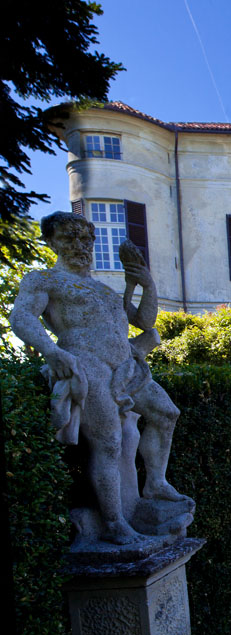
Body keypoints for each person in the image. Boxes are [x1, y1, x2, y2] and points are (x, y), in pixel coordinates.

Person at [10, 211, 186, 545]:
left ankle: (155, 482)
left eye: (85, 239)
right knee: (109, 444)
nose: (79, 245)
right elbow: (21, 317)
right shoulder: (45, 280)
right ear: (52, 242)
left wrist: (146, 283)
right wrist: (50, 350)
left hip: (126, 367)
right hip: (87, 362)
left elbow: (146, 322)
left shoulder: (103, 290)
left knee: (167, 414)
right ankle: (115, 522)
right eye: (68, 238)